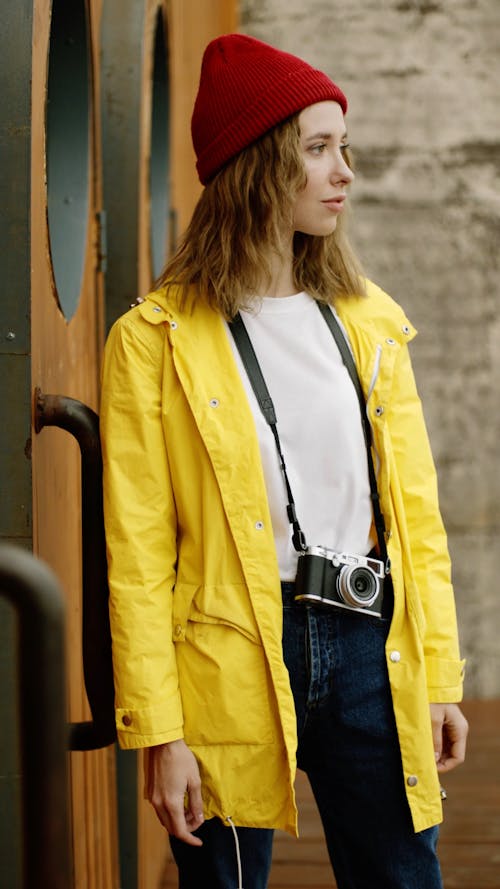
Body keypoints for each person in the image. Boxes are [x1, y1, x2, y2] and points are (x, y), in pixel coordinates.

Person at [100, 33, 468, 889]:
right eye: (317, 149)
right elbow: (139, 555)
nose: (344, 170)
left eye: (344, 146)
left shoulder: (370, 321)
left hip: (372, 646)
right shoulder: (153, 343)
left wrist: (440, 675)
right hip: (230, 655)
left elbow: (416, 515)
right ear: (258, 164)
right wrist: (161, 733)